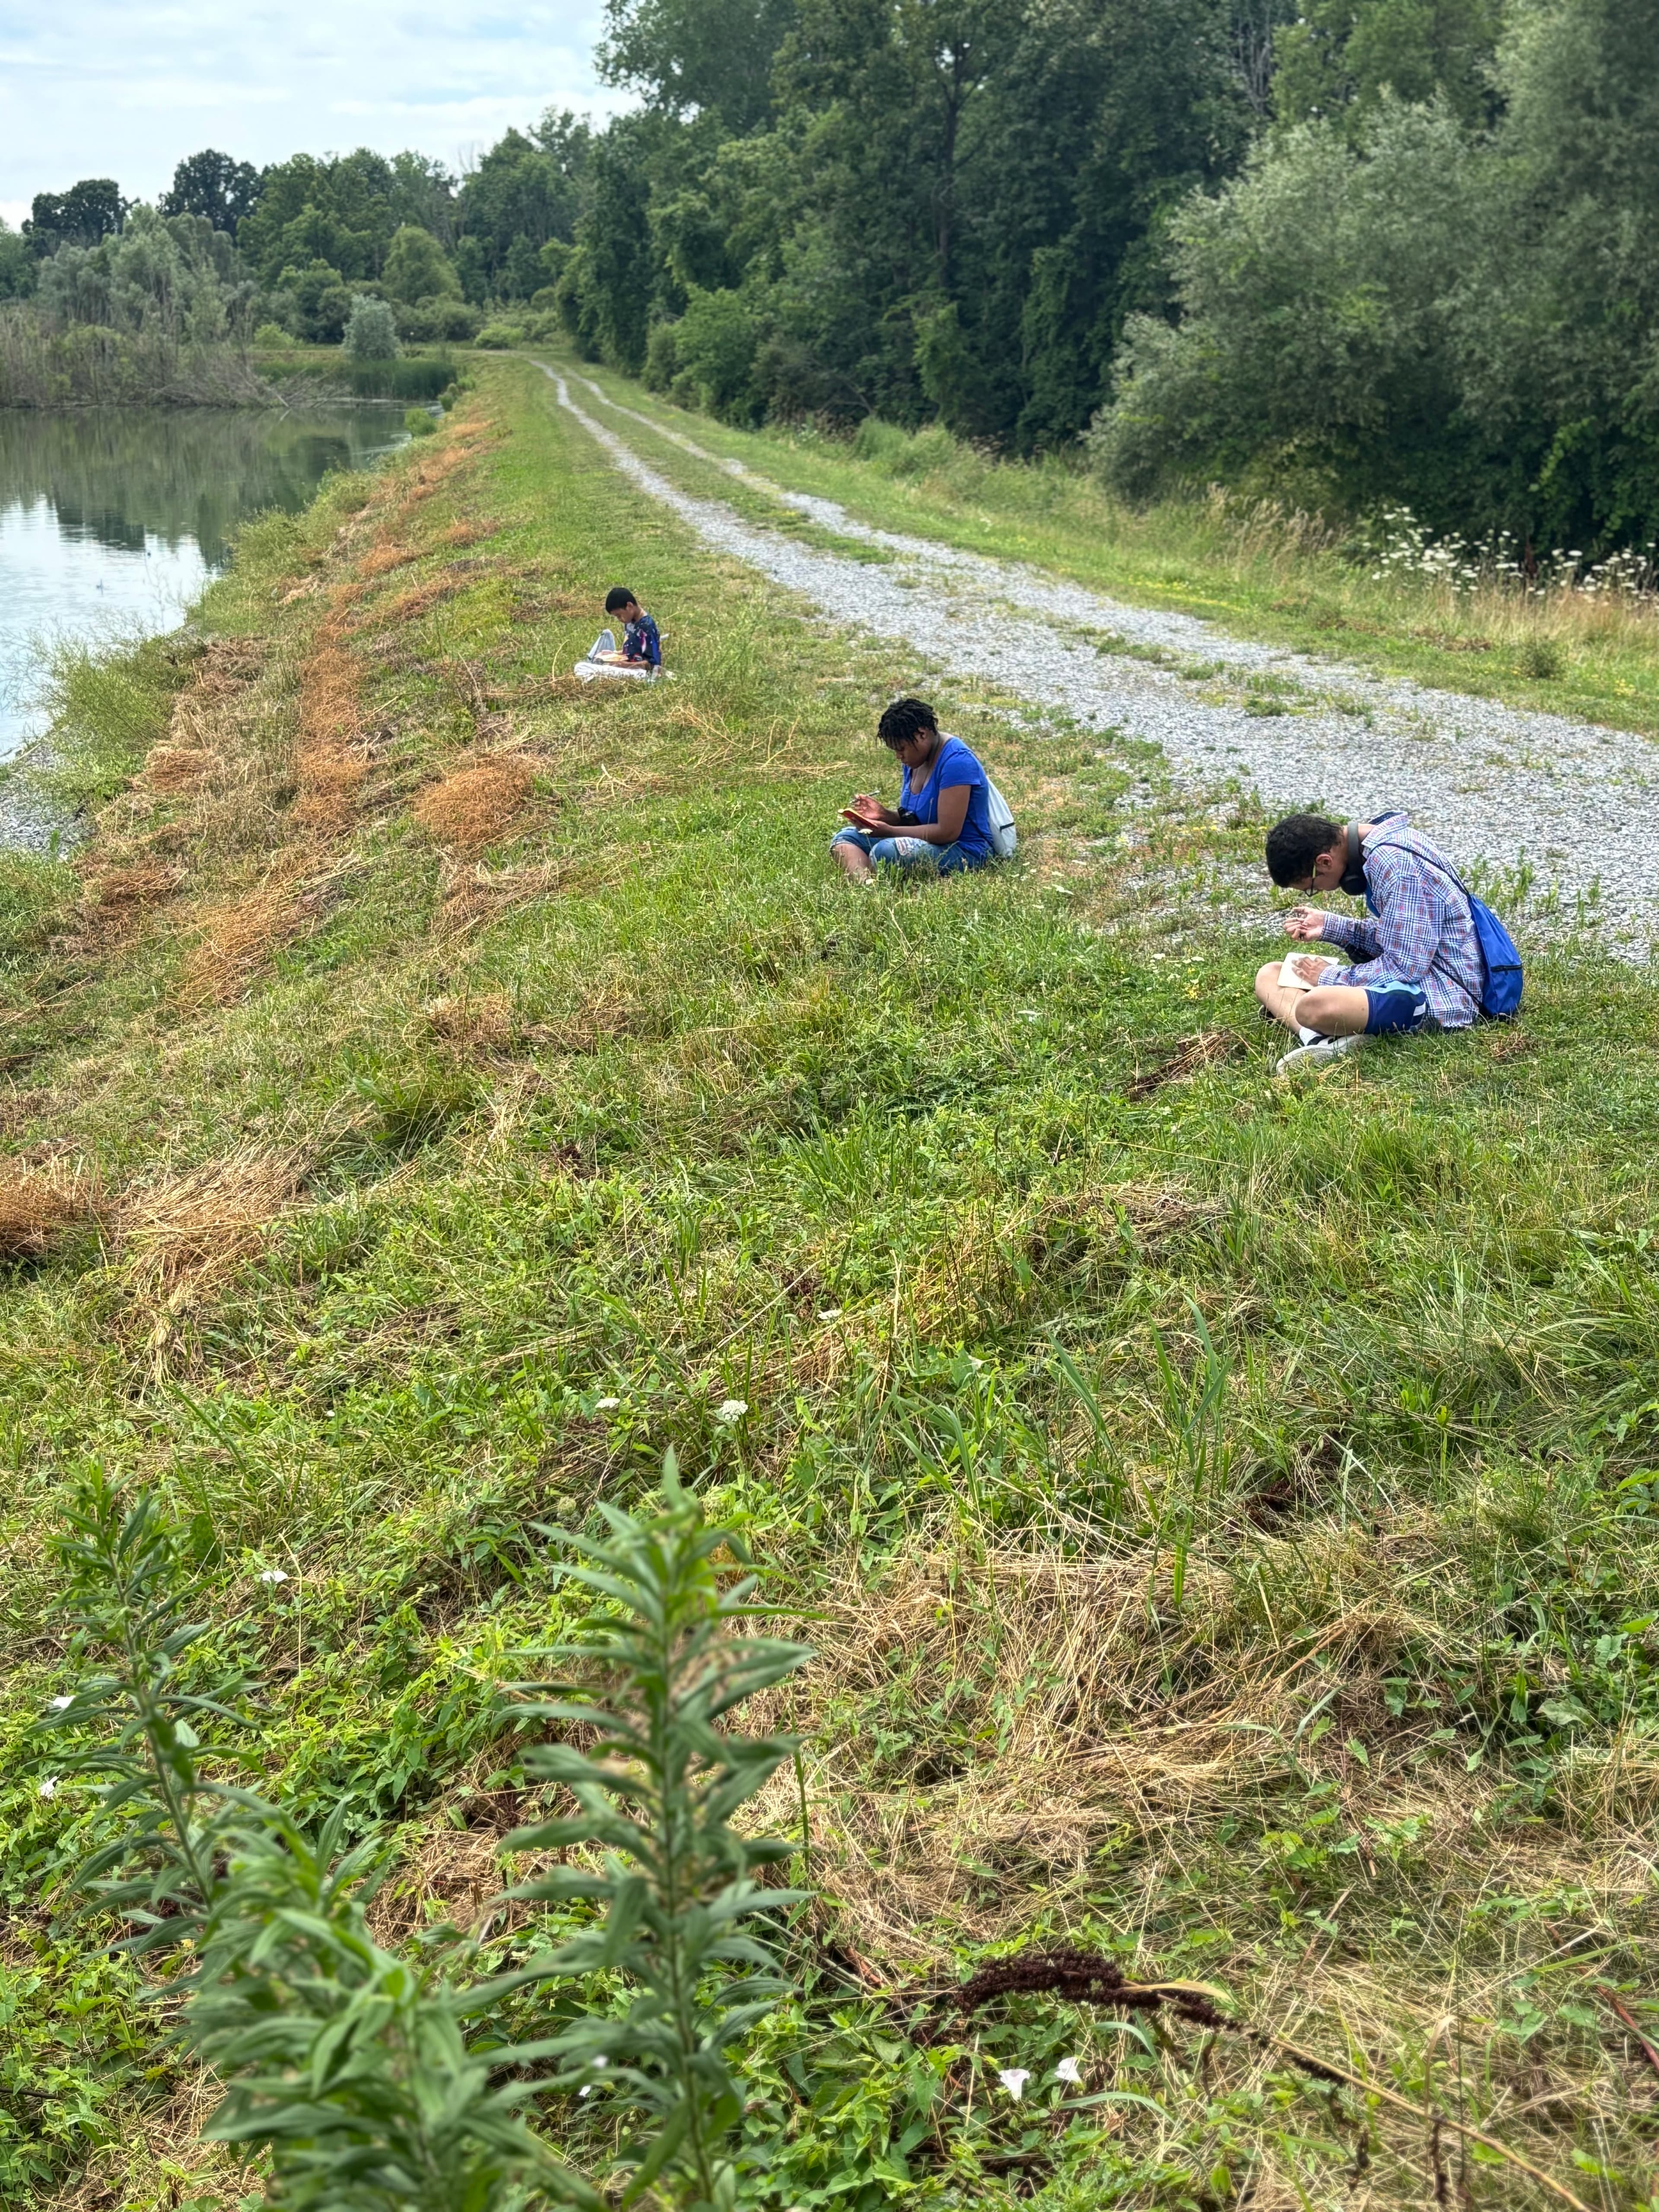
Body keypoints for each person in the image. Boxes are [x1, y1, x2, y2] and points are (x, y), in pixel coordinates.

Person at [1255, 809, 1491, 1074]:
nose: (1317, 893)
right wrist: (1330, 926)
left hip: (1441, 993)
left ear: (1324, 862)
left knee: (1315, 1005)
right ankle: (1323, 1040)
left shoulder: (1397, 867)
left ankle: (1331, 1031)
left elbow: (1406, 968)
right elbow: (1398, 937)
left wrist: (1329, 976)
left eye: (1313, 888)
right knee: (1270, 975)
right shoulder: (1380, 848)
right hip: (1415, 977)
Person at [831, 696, 999, 883]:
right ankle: (866, 887)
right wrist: (885, 815)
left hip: (963, 850)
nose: (898, 756)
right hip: (926, 842)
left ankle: (874, 875)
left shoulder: (957, 762)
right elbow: (917, 820)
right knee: (845, 838)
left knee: (887, 851)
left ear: (922, 734)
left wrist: (889, 831)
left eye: (901, 749)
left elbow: (947, 832)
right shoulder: (916, 760)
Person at [576, 587, 662, 681]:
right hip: (628, 665)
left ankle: (595, 671)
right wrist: (614, 654)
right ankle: (597, 666)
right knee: (606, 634)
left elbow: (652, 665)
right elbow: (633, 652)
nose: (619, 619)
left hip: (640, 674)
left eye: (619, 615)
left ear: (629, 606)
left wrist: (622, 665)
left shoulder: (646, 626)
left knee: (580, 668)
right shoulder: (631, 622)